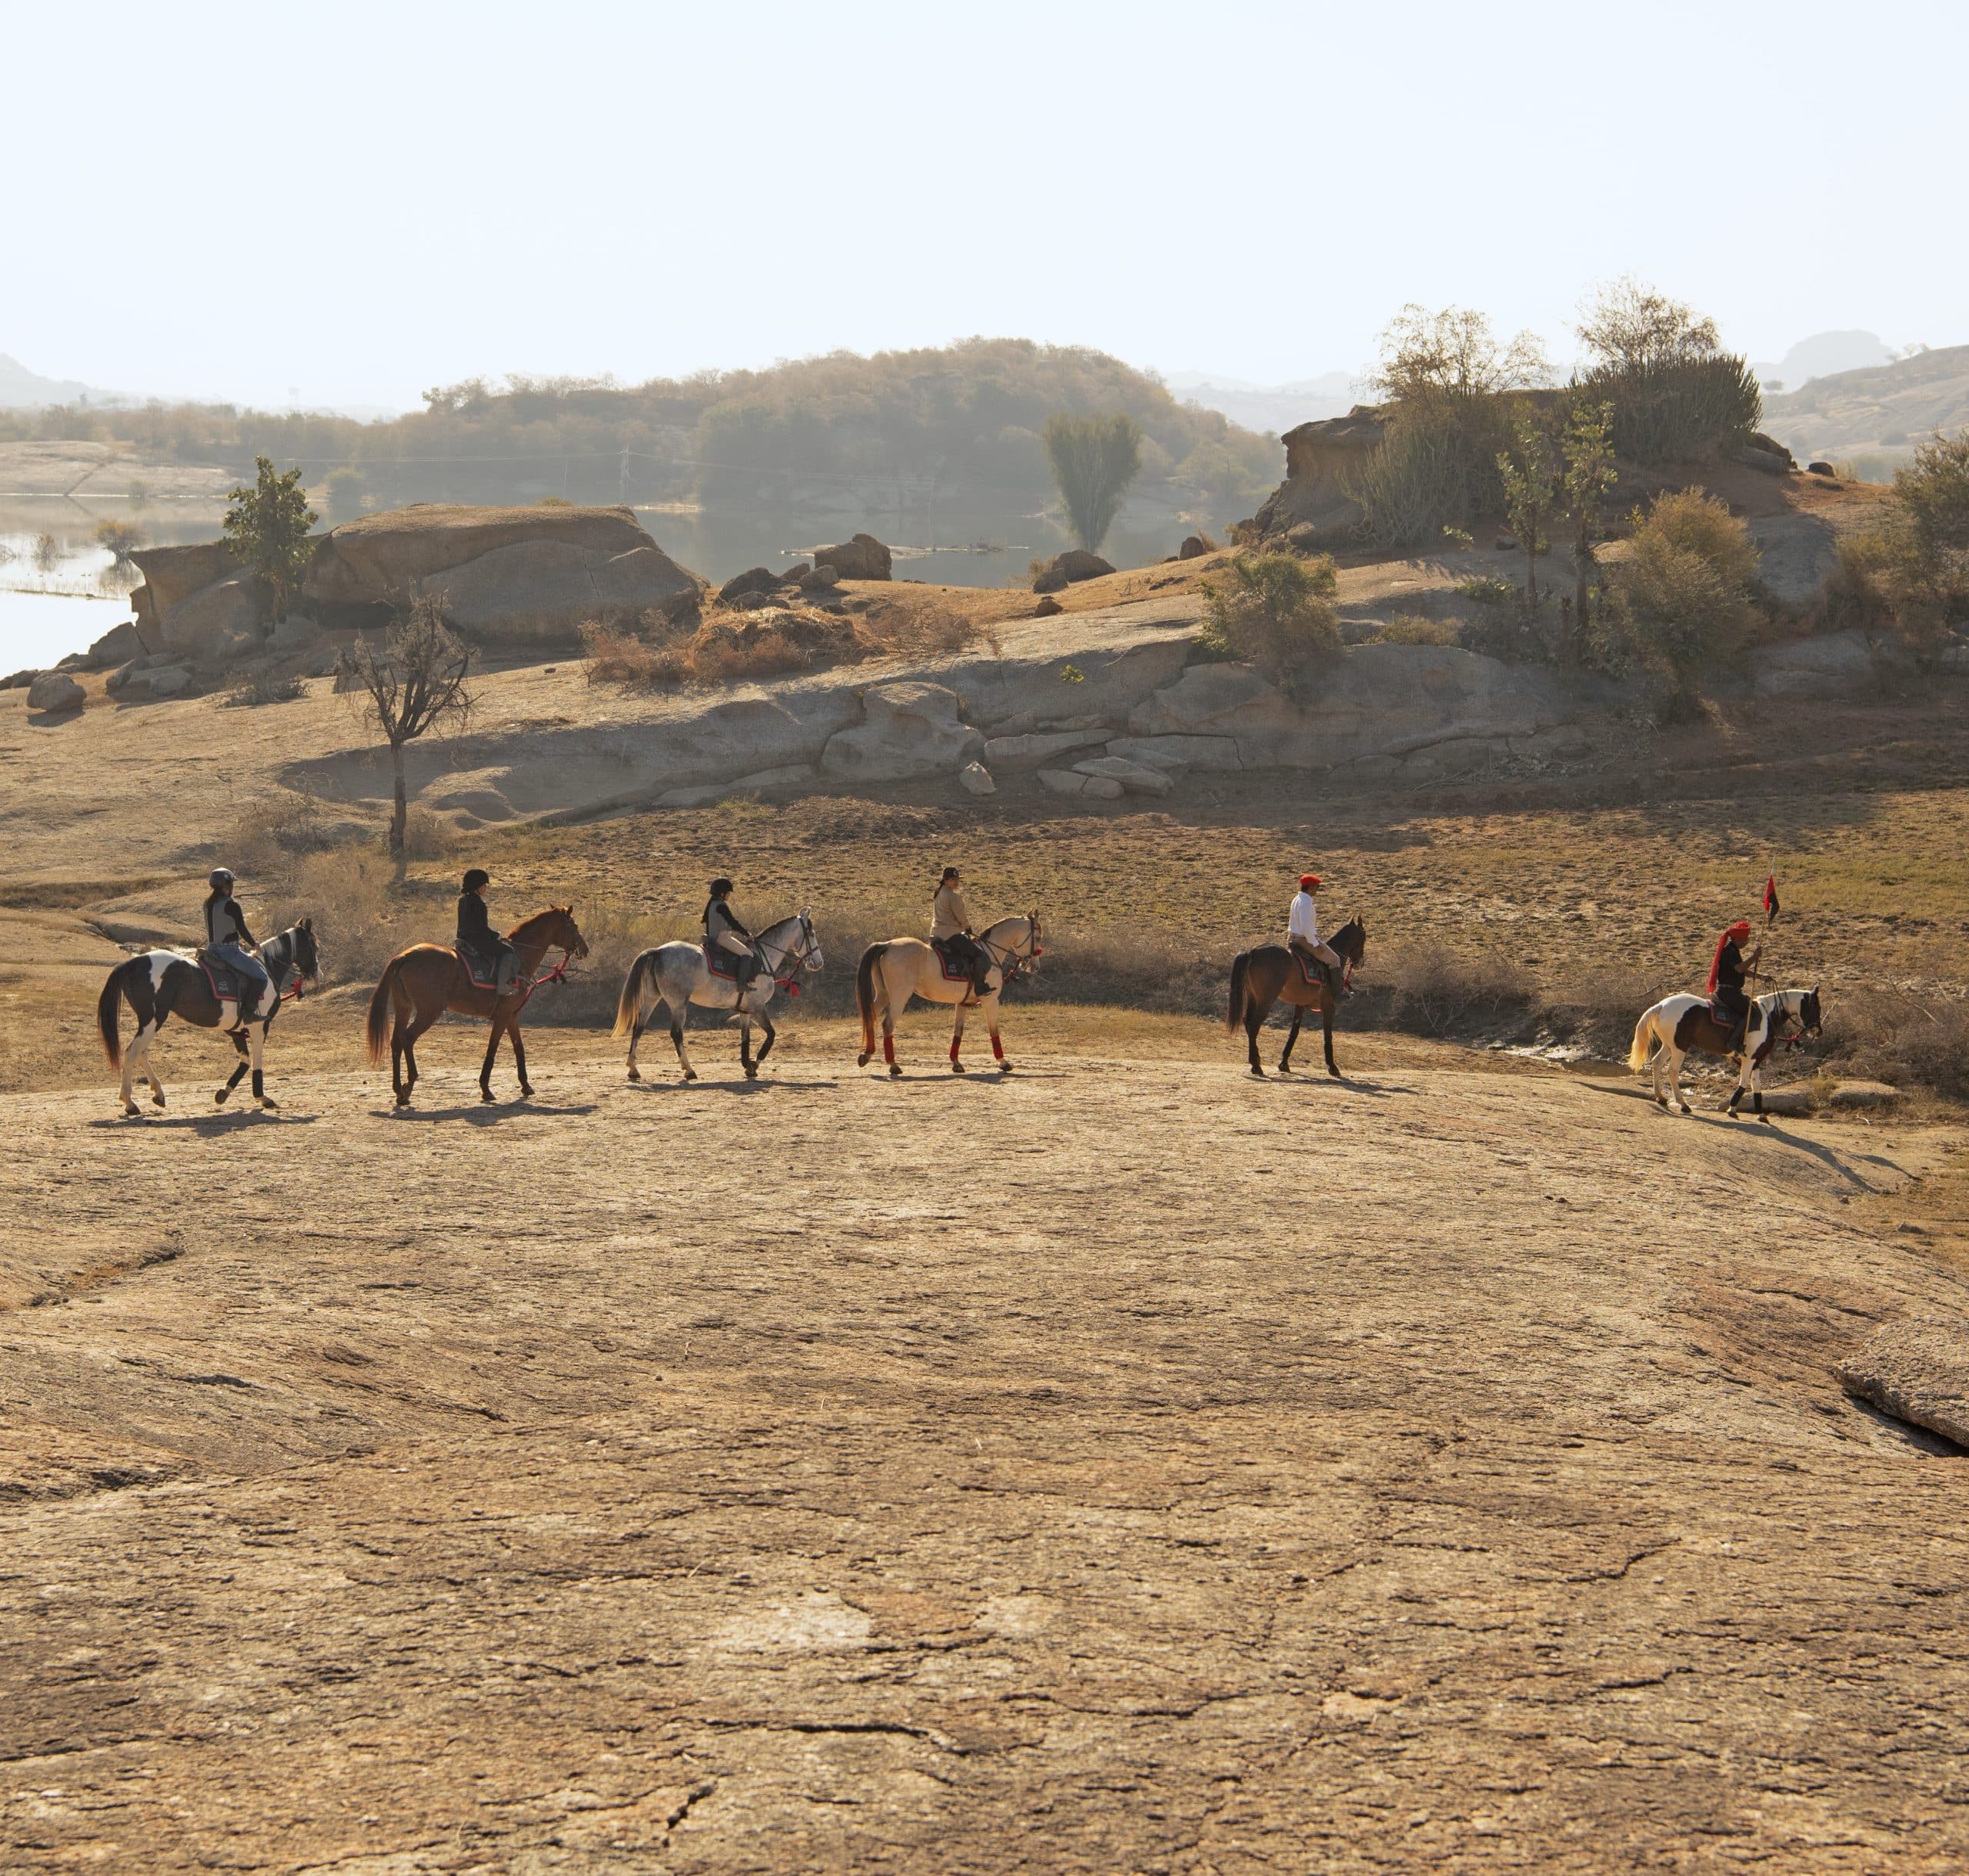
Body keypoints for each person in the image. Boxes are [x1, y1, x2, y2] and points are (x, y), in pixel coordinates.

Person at [202, 867, 272, 1026]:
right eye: (232, 883)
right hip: (228, 952)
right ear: (227, 885)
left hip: (211, 950)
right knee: (261, 977)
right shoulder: (232, 905)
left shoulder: (207, 904)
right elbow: (242, 929)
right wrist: (255, 944)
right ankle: (249, 1013)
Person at [931, 865, 993, 999]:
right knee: (980, 956)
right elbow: (961, 916)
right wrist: (968, 928)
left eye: (957, 879)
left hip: (936, 933)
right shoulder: (952, 897)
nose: (956, 882)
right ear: (946, 880)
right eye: (953, 879)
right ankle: (980, 987)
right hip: (950, 934)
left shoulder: (939, 893)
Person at [456, 868, 520, 997]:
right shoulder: (478, 903)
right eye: (484, 885)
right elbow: (482, 929)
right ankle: (503, 986)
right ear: (476, 886)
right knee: (509, 951)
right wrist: (497, 935)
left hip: (463, 940)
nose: (485, 888)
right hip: (477, 942)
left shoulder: (463, 900)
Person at [1287, 872, 1344, 991]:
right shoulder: (1307, 902)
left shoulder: (1297, 899)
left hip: (1291, 938)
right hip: (1304, 940)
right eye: (1317, 887)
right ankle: (1338, 994)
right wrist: (1315, 943)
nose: (1317, 890)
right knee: (1335, 960)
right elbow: (1306, 926)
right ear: (1311, 888)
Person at [1707, 917, 1757, 1050]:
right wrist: (1754, 956)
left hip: (1731, 992)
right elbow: (1740, 968)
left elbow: (1742, 971)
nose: (1746, 942)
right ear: (1738, 939)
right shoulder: (1730, 952)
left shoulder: (1734, 951)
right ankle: (1734, 1042)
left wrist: (1761, 977)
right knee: (1752, 1011)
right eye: (1745, 939)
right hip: (1729, 992)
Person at [704, 877, 761, 991]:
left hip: (712, 937)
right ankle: (741, 985)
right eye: (728, 893)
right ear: (722, 893)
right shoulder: (721, 906)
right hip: (722, 938)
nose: (729, 896)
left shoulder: (712, 904)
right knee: (748, 954)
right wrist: (747, 934)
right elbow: (733, 923)